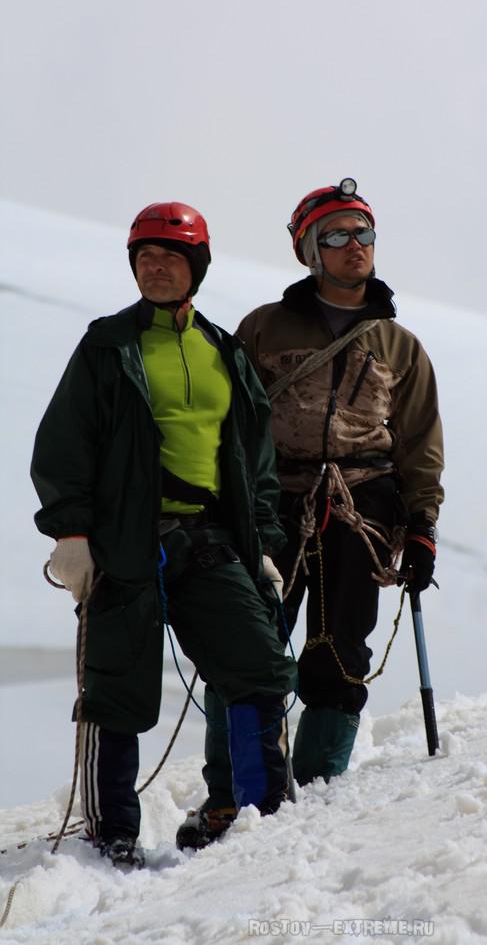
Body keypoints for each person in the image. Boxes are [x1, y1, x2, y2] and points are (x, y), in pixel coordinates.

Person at [177, 178, 444, 848]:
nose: (355, 245)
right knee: (244, 645)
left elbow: (418, 443)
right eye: (336, 235)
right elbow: (227, 423)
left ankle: (317, 792)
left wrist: (422, 527)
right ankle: (233, 799)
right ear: (308, 251)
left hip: (362, 506)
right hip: (270, 501)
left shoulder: (399, 345)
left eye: (363, 232)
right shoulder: (263, 329)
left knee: (339, 651)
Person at [30, 201, 297, 868]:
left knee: (259, 666)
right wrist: (71, 534)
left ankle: (257, 812)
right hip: (124, 539)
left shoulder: (224, 351)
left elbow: (256, 458)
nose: (155, 268)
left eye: (170, 257)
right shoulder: (106, 346)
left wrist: (263, 544)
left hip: (211, 537)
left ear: (195, 268)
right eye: (144, 257)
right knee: (115, 687)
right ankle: (111, 834)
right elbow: (63, 444)